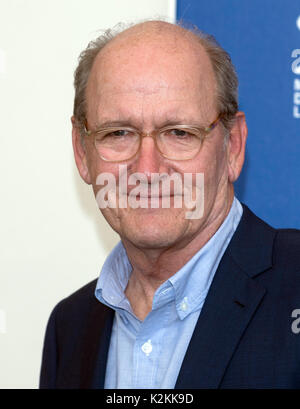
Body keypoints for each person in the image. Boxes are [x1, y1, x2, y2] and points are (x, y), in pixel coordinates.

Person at [39, 20, 300, 389]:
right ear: (82, 151)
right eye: (118, 133)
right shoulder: (70, 328)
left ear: (233, 147)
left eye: (179, 133)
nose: (147, 170)